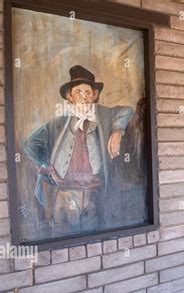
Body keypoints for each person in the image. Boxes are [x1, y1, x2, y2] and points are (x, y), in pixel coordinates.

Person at [23, 65, 133, 234]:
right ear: (70, 97)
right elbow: (30, 143)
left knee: (93, 237)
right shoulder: (58, 123)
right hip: (65, 193)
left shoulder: (103, 116)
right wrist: (45, 165)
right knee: (63, 236)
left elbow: (127, 110)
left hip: (95, 193)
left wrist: (117, 131)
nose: (84, 97)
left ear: (95, 95)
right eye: (78, 92)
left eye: (88, 92)